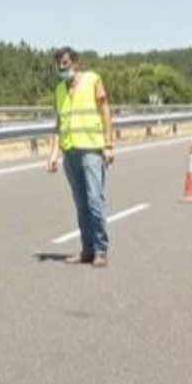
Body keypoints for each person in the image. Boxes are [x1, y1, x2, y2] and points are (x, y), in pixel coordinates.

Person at [46, 47, 115, 266]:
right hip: (71, 152)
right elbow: (59, 123)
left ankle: (100, 249)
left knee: (95, 200)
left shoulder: (93, 80)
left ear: (76, 63)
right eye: (58, 64)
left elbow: (105, 111)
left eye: (65, 63)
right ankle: (86, 250)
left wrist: (109, 144)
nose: (61, 67)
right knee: (81, 204)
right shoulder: (59, 90)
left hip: (92, 150)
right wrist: (53, 153)